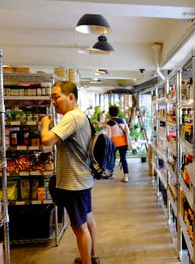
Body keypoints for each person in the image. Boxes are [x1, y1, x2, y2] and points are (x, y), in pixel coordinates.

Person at [40, 81, 98, 264]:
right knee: (87, 220)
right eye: (52, 98)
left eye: (56, 97)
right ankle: (92, 256)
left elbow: (47, 140)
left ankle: (86, 261)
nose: (53, 101)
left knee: (78, 228)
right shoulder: (80, 116)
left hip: (74, 183)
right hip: (82, 180)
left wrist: (44, 124)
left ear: (71, 97)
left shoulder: (72, 117)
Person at [105, 106, 130, 182]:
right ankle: (126, 176)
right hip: (123, 142)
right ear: (118, 112)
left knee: (112, 158)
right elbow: (127, 131)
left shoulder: (109, 123)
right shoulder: (122, 120)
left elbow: (108, 136)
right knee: (123, 158)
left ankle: (110, 174)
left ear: (109, 113)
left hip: (114, 143)